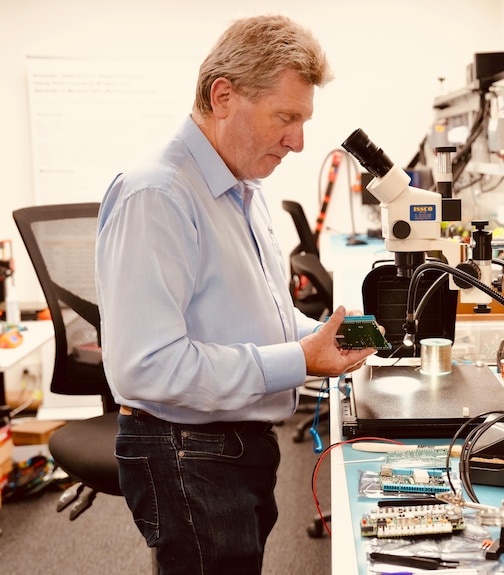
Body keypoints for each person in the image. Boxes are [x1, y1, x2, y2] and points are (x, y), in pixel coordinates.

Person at [95, 14, 376, 574]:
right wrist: (298, 360)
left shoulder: (241, 185)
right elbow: (145, 367)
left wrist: (319, 336)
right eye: (286, 118)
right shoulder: (158, 195)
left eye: (303, 120)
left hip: (232, 444)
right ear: (223, 96)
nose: (298, 142)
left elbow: (253, 312)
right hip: (187, 452)